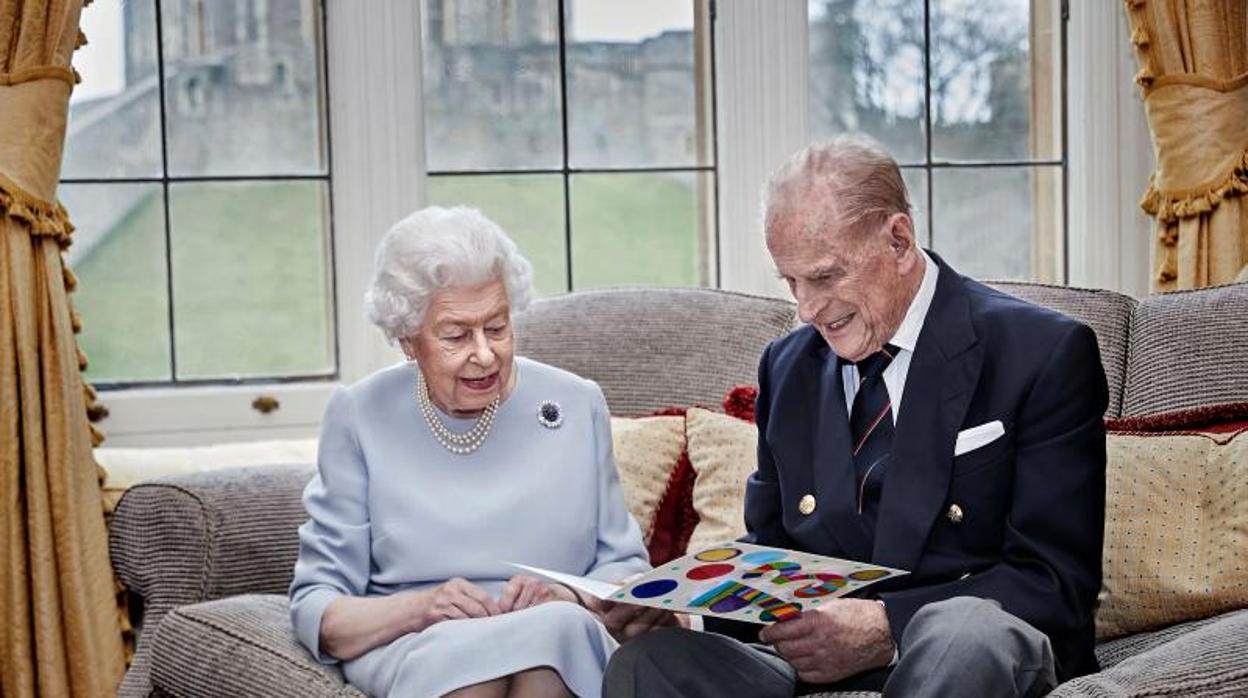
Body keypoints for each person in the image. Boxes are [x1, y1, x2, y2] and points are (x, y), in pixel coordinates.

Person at [603, 136, 1108, 697]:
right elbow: (771, 549)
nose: (806, 309)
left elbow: (1055, 581)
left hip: (967, 654)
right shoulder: (787, 366)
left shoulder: (1041, 352)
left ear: (898, 239)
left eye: (823, 277)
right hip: (811, 667)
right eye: (791, 282)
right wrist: (690, 611)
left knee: (964, 631)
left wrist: (889, 624)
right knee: (652, 661)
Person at [290, 206, 649, 698]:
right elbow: (320, 609)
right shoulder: (360, 415)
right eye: (456, 335)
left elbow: (624, 569)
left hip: (557, 630)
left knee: (555, 635)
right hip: (418, 638)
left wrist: (561, 594)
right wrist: (421, 607)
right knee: (472, 672)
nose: (484, 354)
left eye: (497, 327)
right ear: (407, 340)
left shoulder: (575, 402)